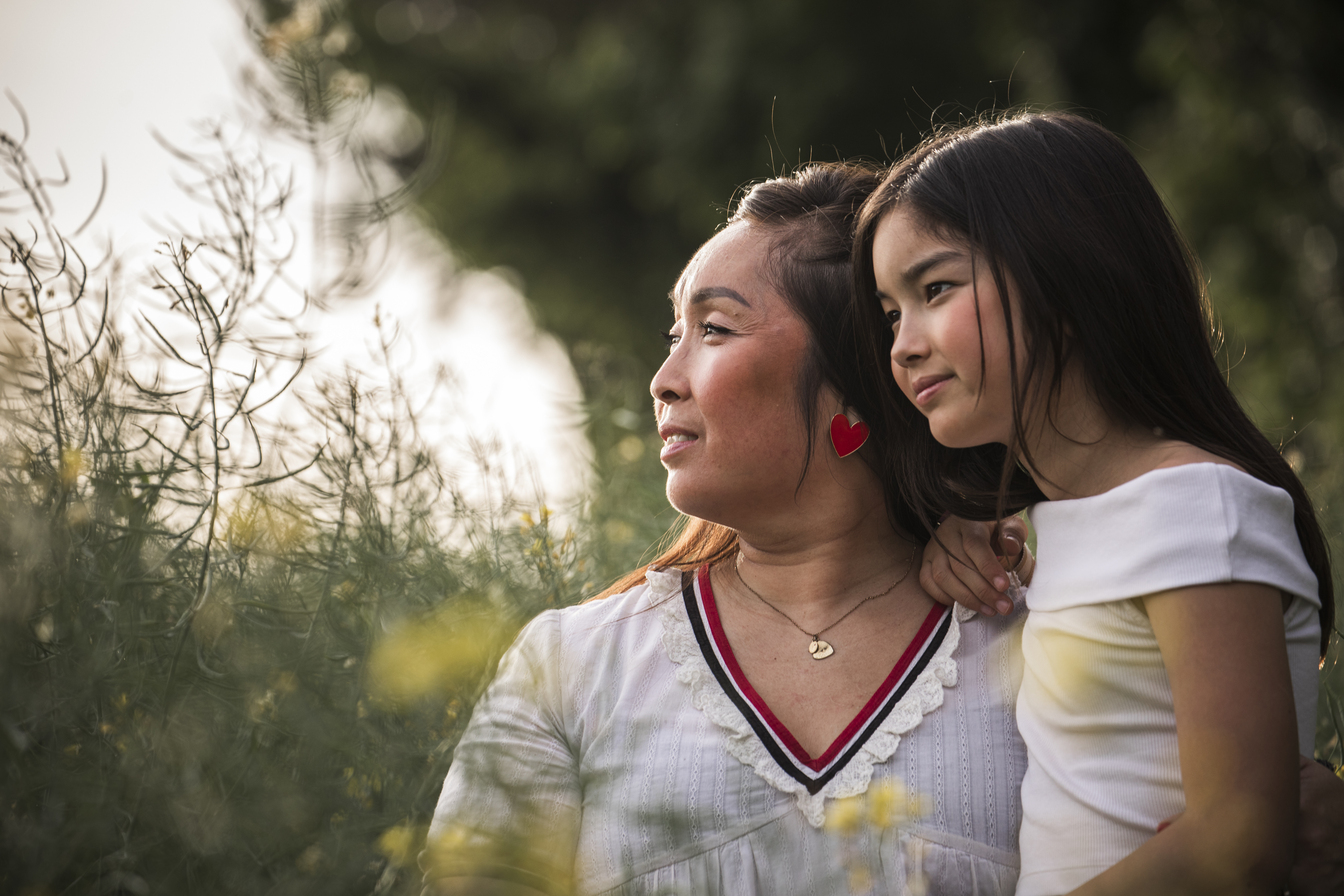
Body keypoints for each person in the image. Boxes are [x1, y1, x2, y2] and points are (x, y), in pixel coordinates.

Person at [421, 162, 1039, 895]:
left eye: (713, 329)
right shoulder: (572, 667)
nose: (664, 379)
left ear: (860, 377)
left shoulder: (1034, 643)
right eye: (674, 334)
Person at [852, 110, 1336, 896]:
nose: (902, 344)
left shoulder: (1194, 504)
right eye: (890, 314)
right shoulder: (1057, 529)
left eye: (935, 289)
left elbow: (1239, 845)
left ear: (1068, 281)